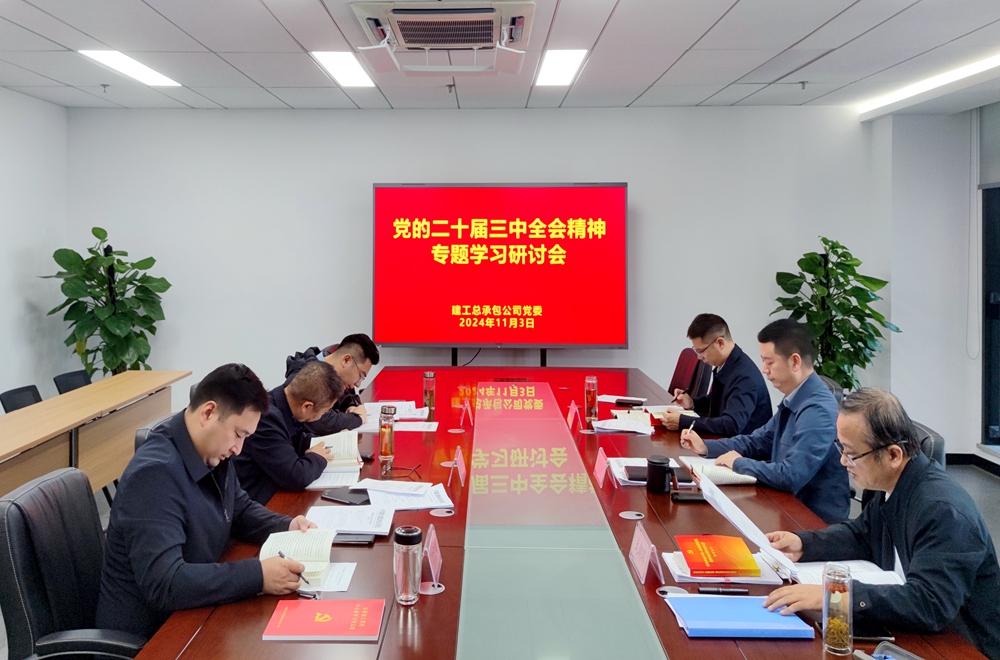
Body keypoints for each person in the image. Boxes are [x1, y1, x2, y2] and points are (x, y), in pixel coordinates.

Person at [763, 389, 1000, 659]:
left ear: (893, 455)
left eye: (852, 454)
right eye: (842, 449)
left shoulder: (942, 510)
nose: (843, 461)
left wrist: (837, 596)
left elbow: (930, 604)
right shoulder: (890, 484)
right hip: (920, 634)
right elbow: (863, 534)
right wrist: (803, 543)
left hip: (964, 646)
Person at [97, 364, 316, 640]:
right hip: (153, 637)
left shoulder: (210, 450)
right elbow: (166, 583)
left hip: (192, 615)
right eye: (238, 434)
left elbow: (238, 509)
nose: (239, 449)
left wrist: (287, 526)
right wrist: (258, 575)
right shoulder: (154, 474)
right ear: (208, 413)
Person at [680, 318, 849, 523]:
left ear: (795, 362)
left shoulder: (817, 411)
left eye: (769, 362)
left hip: (811, 520)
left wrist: (739, 463)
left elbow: (791, 475)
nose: (763, 369)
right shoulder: (796, 397)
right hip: (784, 506)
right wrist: (706, 447)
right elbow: (758, 441)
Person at [233, 360, 346, 504]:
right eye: (324, 412)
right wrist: (318, 458)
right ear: (307, 407)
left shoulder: (284, 402)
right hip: (257, 500)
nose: (322, 416)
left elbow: (292, 441)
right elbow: (295, 477)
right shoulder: (266, 418)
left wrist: (332, 441)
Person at [663, 313, 772, 436]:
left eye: (701, 351)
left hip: (744, 446)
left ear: (720, 343)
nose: (699, 357)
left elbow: (731, 425)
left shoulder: (744, 377)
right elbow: (718, 401)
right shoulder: (729, 363)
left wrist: (683, 422)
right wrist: (692, 403)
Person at [284, 333, 380, 434]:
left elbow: (347, 396)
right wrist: (357, 418)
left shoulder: (334, 372)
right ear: (346, 360)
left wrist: (350, 407)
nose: (358, 384)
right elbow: (321, 422)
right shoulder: (306, 376)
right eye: (361, 375)